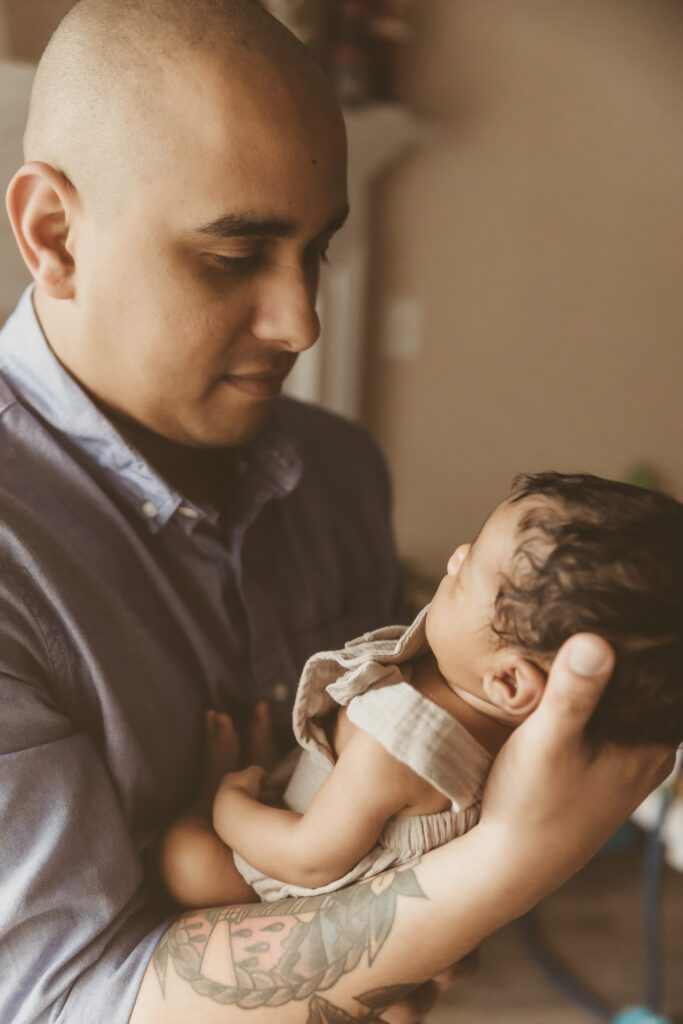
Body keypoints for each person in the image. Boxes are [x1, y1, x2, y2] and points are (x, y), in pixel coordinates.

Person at [0, 2, 673, 1023]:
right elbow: (64, 999)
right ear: (53, 233)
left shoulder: (340, 474)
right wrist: (504, 869)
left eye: (317, 250)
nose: (301, 321)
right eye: (234, 256)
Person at [157, 471, 683, 908]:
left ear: (508, 681)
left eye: (468, 571)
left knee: (187, 860)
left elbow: (309, 858)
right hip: (337, 820)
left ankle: (214, 799)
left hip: (291, 892)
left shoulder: (404, 742)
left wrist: (230, 802)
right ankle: (272, 784)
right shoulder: (498, 710)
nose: (454, 557)